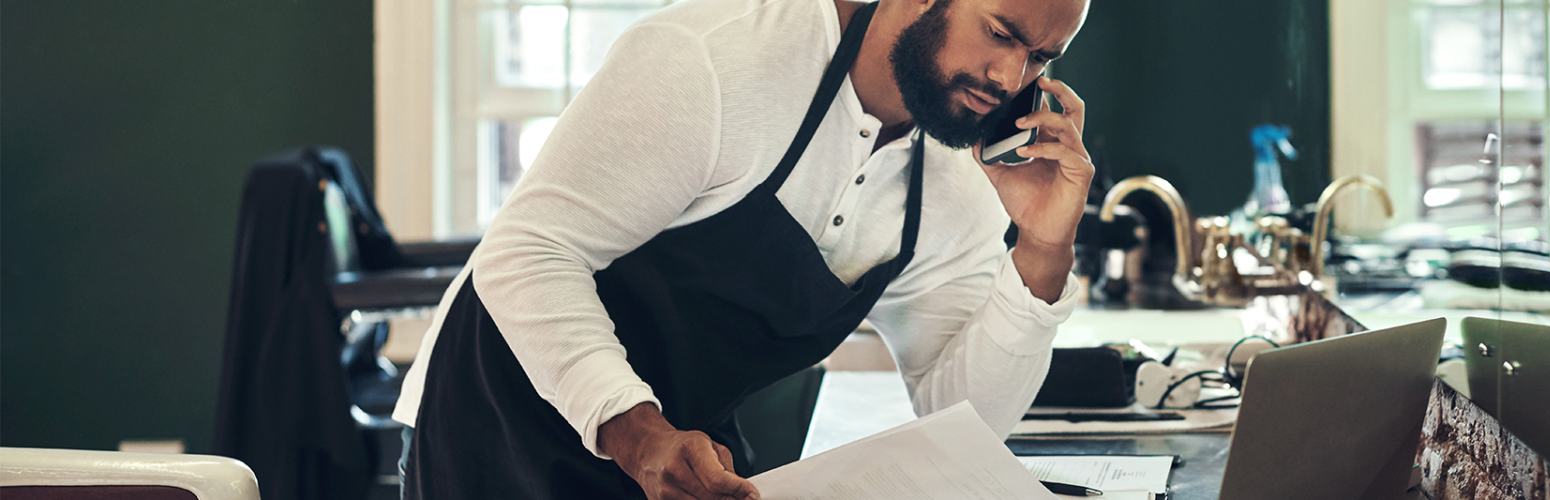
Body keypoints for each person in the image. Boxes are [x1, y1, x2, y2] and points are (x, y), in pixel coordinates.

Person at [391, 0, 1093, 497]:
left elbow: (964, 415)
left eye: (1039, 57)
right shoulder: (714, 60)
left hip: (682, 455)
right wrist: (638, 437)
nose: (1009, 78)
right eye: (1001, 33)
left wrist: (1040, 248)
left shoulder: (958, 178)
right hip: (497, 415)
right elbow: (526, 253)